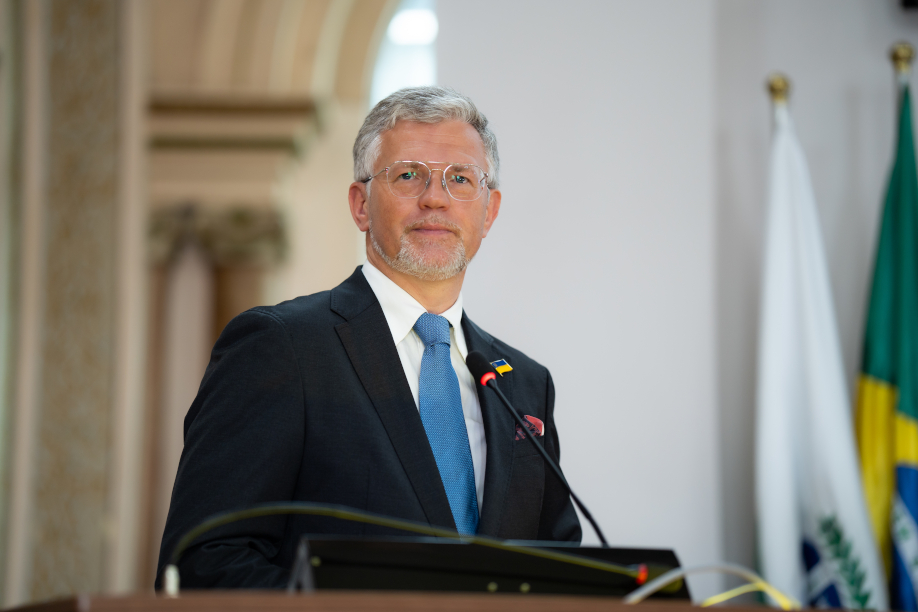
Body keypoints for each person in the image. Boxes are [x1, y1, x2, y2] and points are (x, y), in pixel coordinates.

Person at [156, 86, 581, 589]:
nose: (435, 197)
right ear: (360, 204)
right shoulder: (280, 347)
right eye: (407, 176)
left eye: (460, 179)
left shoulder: (525, 386)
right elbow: (203, 562)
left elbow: (561, 574)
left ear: (488, 212)